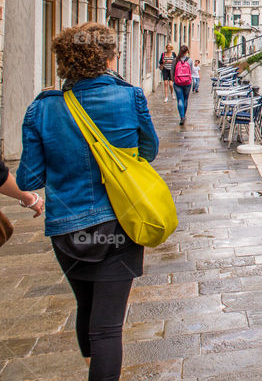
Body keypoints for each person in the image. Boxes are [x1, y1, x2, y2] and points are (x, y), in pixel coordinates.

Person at [18, 22, 159, 381]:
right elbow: (148, 152)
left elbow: (29, 180)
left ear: (64, 62)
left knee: (87, 306)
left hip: (67, 230)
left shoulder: (42, 108)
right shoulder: (130, 97)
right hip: (119, 223)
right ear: (109, 59)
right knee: (108, 328)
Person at [172, 46, 194, 125]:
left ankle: (182, 116)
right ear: (187, 51)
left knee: (180, 99)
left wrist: (173, 79)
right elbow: (191, 71)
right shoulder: (190, 60)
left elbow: (172, 71)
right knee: (185, 99)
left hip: (178, 82)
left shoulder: (175, 60)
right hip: (187, 82)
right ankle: (184, 115)